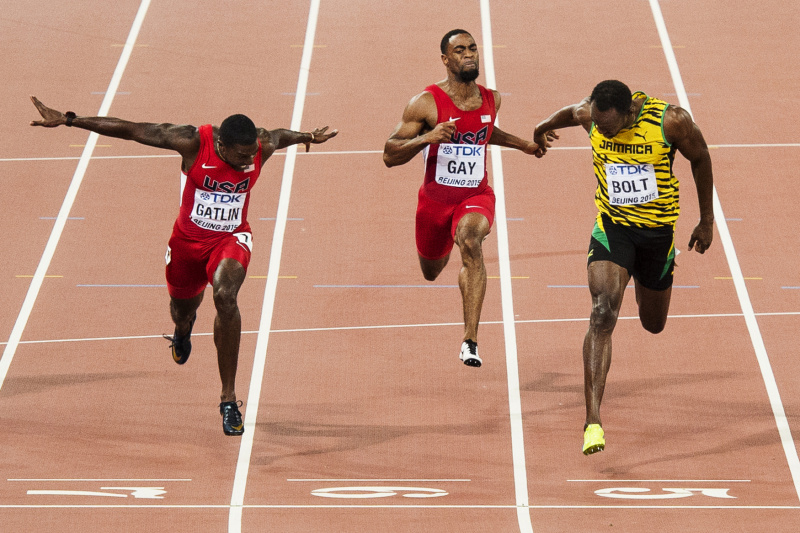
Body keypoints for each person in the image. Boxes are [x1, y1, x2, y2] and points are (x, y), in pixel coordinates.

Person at [30, 96, 337, 436]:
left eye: (253, 155)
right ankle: (183, 328)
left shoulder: (260, 146)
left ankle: (228, 399)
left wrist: (307, 136)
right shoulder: (192, 141)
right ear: (221, 145)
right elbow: (132, 130)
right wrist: (70, 120)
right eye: (241, 155)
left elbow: (280, 135)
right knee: (181, 308)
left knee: (226, 296)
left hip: (231, 239)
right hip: (187, 245)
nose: (249, 161)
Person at [532, 80, 714, 454]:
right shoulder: (592, 116)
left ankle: (638, 281)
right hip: (613, 230)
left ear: (629, 111)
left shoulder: (670, 122)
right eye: (596, 124)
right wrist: (542, 127)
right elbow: (572, 112)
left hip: (657, 236)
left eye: (607, 127)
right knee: (601, 314)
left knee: (653, 324)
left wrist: (706, 220)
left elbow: (701, 158)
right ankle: (593, 421)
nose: (599, 131)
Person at [383, 29, 544, 368]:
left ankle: (470, 340)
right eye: (459, 50)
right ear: (445, 59)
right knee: (431, 270)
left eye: (472, 48)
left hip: (475, 195)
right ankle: (462, 272)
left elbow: (485, 132)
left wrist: (524, 145)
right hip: (435, 202)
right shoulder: (425, 103)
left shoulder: (492, 99)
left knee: (471, 241)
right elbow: (389, 154)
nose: (469, 54)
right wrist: (428, 137)